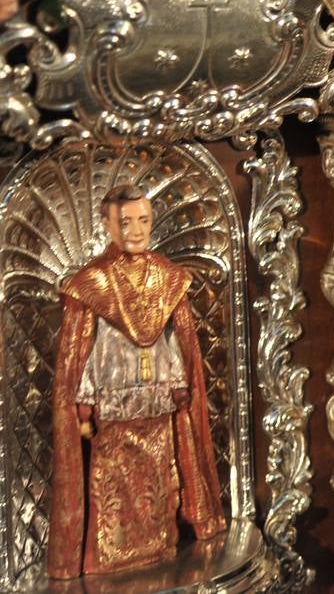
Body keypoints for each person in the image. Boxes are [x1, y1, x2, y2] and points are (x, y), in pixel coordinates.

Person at [49, 185, 225, 578]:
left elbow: (177, 346)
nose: (135, 230)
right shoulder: (91, 284)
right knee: (113, 487)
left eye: (143, 220)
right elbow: (83, 355)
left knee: (159, 482)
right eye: (125, 221)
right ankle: (108, 558)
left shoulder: (168, 278)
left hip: (156, 405)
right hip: (112, 412)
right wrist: (85, 403)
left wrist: (180, 386)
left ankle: (162, 545)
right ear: (107, 224)